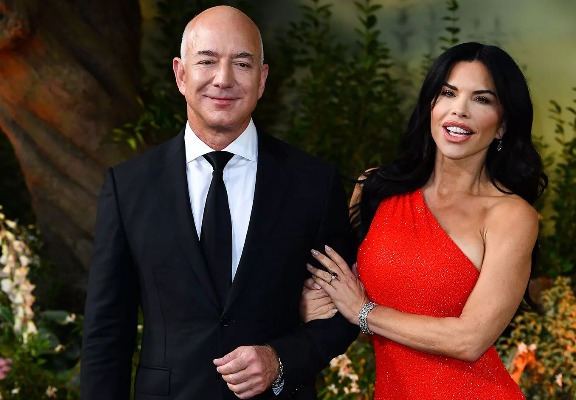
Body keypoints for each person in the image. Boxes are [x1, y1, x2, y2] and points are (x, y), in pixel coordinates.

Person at [80, 6, 358, 400]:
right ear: (180, 74)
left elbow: (344, 312)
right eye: (207, 61)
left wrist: (280, 359)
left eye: (242, 64)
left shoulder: (313, 183)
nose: (223, 79)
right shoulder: (129, 187)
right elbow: (106, 332)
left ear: (262, 79)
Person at [302, 42, 548, 399]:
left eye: (482, 99)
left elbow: (470, 340)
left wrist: (362, 311)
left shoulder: (511, 215)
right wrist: (311, 304)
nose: (459, 110)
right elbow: (340, 294)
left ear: (502, 126)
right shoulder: (375, 189)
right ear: (430, 105)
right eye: (448, 93)